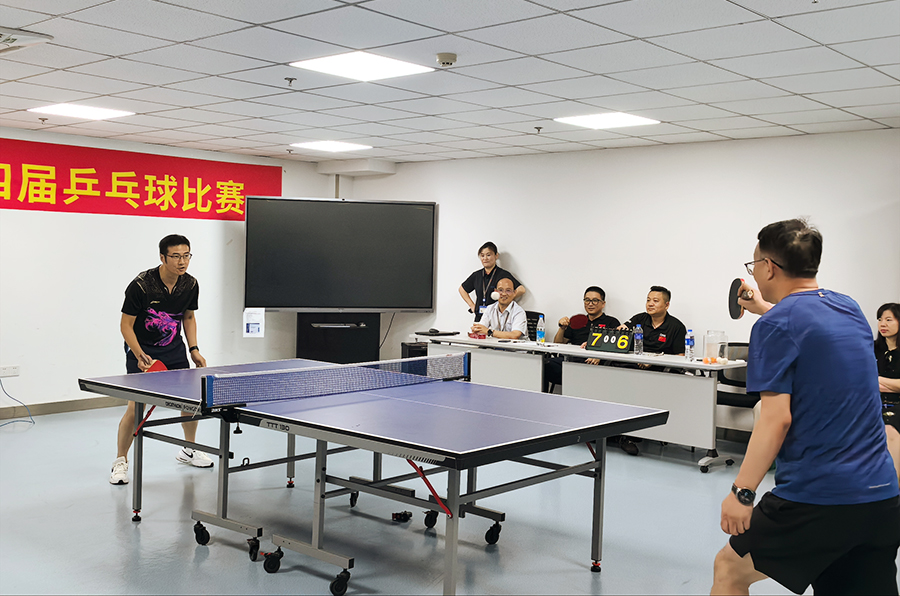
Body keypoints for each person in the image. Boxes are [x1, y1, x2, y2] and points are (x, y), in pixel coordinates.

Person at [711, 219, 899, 595]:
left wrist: (742, 493)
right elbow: (811, 329)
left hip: (819, 498)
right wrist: (764, 306)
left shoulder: (774, 326)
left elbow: (776, 420)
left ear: (768, 267)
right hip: (881, 496)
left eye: (754, 265)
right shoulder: (848, 307)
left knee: (729, 569)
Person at [110, 234, 212, 485]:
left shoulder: (190, 284)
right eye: (176, 256)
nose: (182, 262)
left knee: (188, 403)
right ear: (162, 257)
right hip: (141, 351)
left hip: (174, 351)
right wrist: (138, 354)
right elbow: (126, 325)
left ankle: (188, 449)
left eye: (186, 256)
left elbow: (188, 318)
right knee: (136, 408)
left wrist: (194, 349)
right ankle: (120, 461)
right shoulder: (142, 285)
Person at [612, 286, 686, 455]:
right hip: (632, 369)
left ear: (666, 305)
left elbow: (680, 357)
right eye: (648, 300)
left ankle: (631, 434)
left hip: (659, 374)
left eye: (655, 301)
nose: (650, 304)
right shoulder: (639, 319)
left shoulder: (676, 326)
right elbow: (620, 333)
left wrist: (652, 362)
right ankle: (617, 431)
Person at [545, 286, 620, 390]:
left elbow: (616, 347)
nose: (590, 304)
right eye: (587, 300)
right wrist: (562, 328)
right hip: (573, 361)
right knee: (545, 364)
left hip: (595, 365)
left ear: (603, 303)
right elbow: (558, 344)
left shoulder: (611, 322)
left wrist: (599, 356)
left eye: (595, 300)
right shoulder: (577, 321)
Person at [459, 242, 525, 322]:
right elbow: (462, 289)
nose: (485, 258)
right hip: (480, 318)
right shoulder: (477, 275)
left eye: (488, 255)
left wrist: (506, 298)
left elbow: (521, 290)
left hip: (498, 318)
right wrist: (472, 305)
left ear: (496, 256)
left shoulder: (503, 274)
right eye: (482, 255)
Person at [876, 302, 900, 480]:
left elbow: (870, 379)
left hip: (897, 405)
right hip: (874, 402)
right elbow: (861, 379)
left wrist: (877, 380)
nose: (882, 324)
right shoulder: (872, 349)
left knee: (890, 428)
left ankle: (894, 485)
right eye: (880, 319)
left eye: (889, 319)